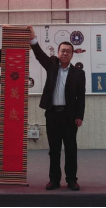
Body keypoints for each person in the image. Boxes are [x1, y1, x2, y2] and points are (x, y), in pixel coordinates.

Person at [29, 26, 86, 192]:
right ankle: (54, 180)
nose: (65, 53)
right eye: (62, 50)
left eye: (68, 51)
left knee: (71, 149)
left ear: (72, 54)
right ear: (58, 52)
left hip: (69, 116)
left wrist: (79, 116)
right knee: (53, 150)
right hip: (53, 114)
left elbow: (81, 97)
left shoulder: (78, 73)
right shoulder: (52, 66)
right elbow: (40, 55)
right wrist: (33, 39)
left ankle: (72, 180)